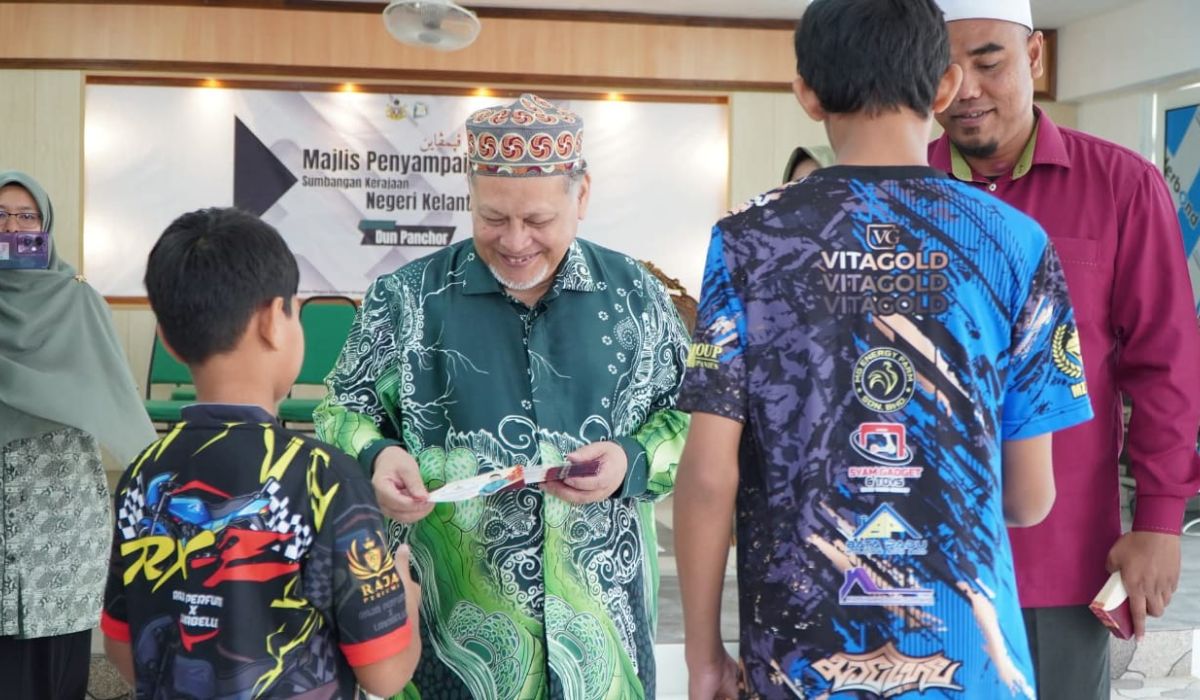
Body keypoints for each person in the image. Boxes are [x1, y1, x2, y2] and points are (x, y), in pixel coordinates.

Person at [673, 1, 1095, 698]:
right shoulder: (1014, 241)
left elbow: (709, 475)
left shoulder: (749, 239)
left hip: (800, 655)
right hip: (967, 655)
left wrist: (703, 655)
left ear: (807, 94)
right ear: (945, 86)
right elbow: (1030, 498)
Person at [315, 93, 690, 698]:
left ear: (582, 196)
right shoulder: (406, 300)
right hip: (450, 642)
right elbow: (342, 408)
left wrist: (630, 459)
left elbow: (693, 418)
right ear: (470, 196)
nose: (515, 241)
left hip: (605, 638)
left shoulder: (636, 297)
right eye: (493, 218)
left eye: (538, 220)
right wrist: (377, 457)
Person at [930, 1, 1200, 696]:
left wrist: (1159, 520)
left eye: (988, 62)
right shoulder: (901, 188)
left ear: (1034, 56)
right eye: (943, 70)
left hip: (1061, 557)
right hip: (918, 555)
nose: (965, 90)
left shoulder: (1121, 186)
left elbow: (1165, 364)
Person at [100, 208, 421, 698]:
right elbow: (385, 672)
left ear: (166, 339)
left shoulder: (141, 475)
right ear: (274, 320)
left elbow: (124, 649)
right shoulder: (326, 479)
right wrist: (406, 600)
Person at [0, 170, 157, 700]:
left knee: (58, 665)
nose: (12, 227)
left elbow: (114, 393)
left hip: (62, 515)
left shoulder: (79, 300)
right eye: (0, 216)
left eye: (26, 217)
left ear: (45, 226)